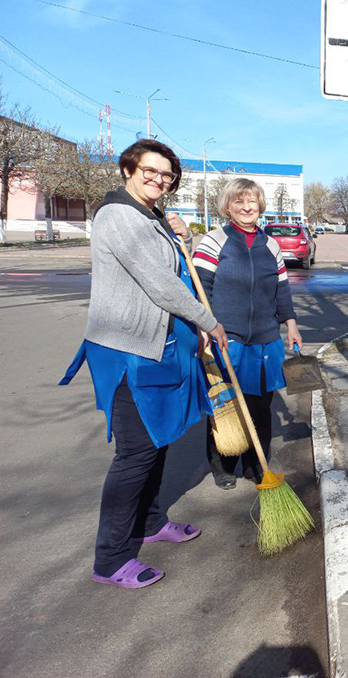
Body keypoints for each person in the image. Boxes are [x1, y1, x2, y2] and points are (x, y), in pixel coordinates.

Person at [60, 139, 228, 589]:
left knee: (158, 440)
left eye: (167, 175)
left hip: (159, 347)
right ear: (128, 170)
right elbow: (160, 284)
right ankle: (110, 558)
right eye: (149, 171)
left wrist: (181, 239)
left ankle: (149, 523)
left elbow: (174, 268)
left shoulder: (148, 218)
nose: (158, 179)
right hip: (127, 351)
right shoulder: (117, 216)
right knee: (135, 454)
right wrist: (209, 322)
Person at [193, 178, 301, 490]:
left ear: (260, 205)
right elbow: (201, 291)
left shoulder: (271, 246)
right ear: (228, 206)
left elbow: (282, 291)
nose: (246, 207)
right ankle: (223, 466)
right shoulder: (214, 242)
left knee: (260, 407)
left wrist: (290, 323)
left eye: (252, 201)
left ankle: (257, 465)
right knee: (225, 407)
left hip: (267, 340)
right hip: (228, 339)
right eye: (239, 202)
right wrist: (204, 327)